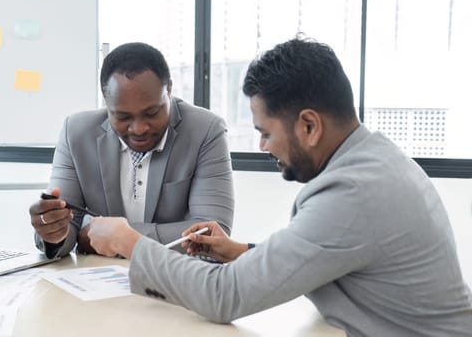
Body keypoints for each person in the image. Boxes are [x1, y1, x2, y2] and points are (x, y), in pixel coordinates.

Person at [85, 37, 472, 336]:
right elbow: (323, 255)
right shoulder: (376, 160)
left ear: (309, 125)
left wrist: (129, 242)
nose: (262, 147)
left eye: (265, 132)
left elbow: (225, 296)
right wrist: (242, 252)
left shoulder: (353, 193)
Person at [29, 42, 234, 259]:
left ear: (170, 91)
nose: (139, 129)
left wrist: (116, 238)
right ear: (106, 102)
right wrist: (53, 232)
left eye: (152, 112)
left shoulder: (206, 130)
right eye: (123, 116)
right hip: (99, 281)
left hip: (177, 279)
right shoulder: (77, 133)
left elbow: (210, 236)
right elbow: (66, 232)